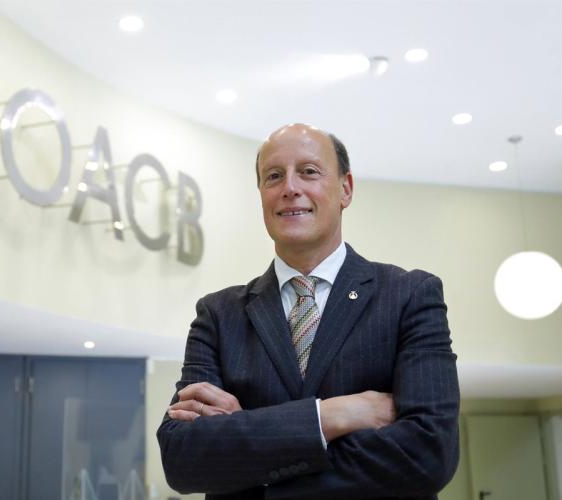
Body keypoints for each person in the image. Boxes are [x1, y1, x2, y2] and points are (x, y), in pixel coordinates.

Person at [156, 123, 460, 500]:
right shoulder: (218, 315)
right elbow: (181, 459)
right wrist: (332, 415)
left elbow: (429, 453)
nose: (290, 188)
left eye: (309, 171)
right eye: (273, 176)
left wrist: (253, 447)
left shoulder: (409, 295)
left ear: (345, 189)